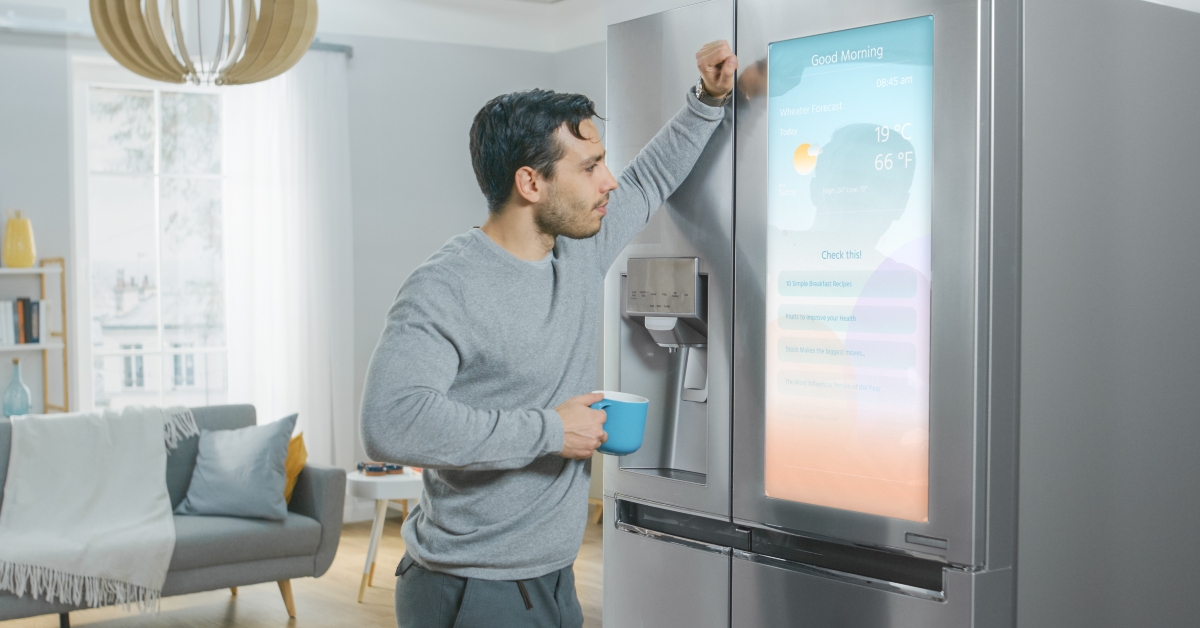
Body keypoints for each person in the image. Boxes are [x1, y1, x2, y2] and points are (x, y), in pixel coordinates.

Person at [360, 40, 738, 628]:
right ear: (530, 184)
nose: (609, 181)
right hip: (471, 589)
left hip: (553, 580)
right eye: (589, 168)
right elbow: (390, 421)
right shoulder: (445, 286)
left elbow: (652, 178)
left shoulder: (577, 252)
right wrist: (551, 430)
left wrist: (709, 98)